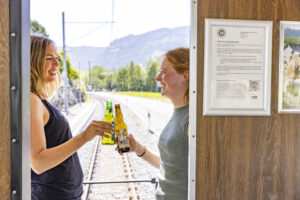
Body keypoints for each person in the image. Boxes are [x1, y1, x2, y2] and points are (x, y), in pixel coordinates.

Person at [30, 35, 113, 200]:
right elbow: (38, 163)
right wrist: (84, 137)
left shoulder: (39, 99)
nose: (57, 64)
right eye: (49, 58)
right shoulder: (32, 100)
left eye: (57, 58)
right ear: (33, 61)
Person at [126, 47, 189, 199]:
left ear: (186, 75)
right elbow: (171, 167)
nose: (157, 77)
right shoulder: (178, 113)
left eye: (164, 72)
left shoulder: (192, 121)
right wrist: (138, 149)